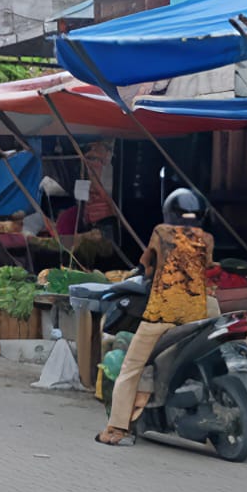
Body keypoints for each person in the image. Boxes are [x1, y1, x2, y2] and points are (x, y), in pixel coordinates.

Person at [96, 188, 215, 447]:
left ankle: (117, 429)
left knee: (130, 368)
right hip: (196, 314)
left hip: (162, 314)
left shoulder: (161, 233)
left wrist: (148, 271)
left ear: (169, 212)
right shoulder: (206, 239)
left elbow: (147, 266)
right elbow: (203, 267)